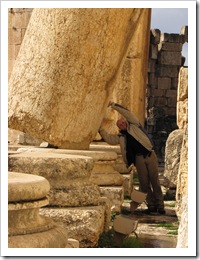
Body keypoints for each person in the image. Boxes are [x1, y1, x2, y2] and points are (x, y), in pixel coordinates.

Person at [99, 101, 165, 214]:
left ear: (125, 122)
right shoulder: (121, 137)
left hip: (150, 154)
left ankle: (160, 205)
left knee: (155, 181)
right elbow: (110, 139)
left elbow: (127, 113)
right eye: (119, 125)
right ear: (118, 128)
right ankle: (151, 205)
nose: (121, 125)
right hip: (138, 159)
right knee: (144, 183)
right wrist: (100, 129)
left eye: (122, 123)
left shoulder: (134, 125)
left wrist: (114, 106)